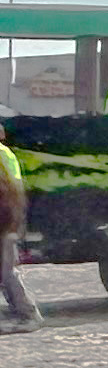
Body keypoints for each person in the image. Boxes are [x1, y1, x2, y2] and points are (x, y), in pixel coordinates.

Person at [0, 141, 35, 330]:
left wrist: (16, 222)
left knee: (7, 272)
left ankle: (28, 314)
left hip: (6, 221)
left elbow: (16, 189)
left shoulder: (3, 154)